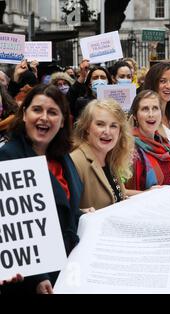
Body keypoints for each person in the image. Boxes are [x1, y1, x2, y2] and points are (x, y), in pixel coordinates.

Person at [0, 84, 82, 294]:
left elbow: (60, 210)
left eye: (53, 112)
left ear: (63, 121)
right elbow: (12, 227)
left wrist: (82, 214)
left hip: (67, 271)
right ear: (24, 115)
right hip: (30, 282)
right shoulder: (9, 156)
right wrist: (37, 277)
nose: (44, 118)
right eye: (37, 110)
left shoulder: (63, 157)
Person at [71, 99, 134, 211]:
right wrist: (80, 213)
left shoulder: (110, 158)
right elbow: (64, 212)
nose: (107, 131)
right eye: (100, 124)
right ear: (86, 128)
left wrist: (151, 194)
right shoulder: (75, 162)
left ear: (120, 132)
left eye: (113, 126)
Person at [126, 90, 170, 190]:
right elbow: (120, 192)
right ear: (135, 116)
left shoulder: (164, 144)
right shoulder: (128, 148)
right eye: (145, 109)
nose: (151, 114)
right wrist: (146, 194)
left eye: (155, 108)